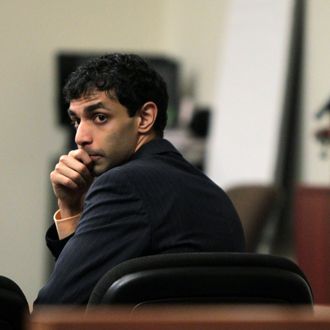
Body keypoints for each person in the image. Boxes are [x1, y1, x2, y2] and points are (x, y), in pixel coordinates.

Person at [34, 53, 245, 305]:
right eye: (76, 120)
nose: (80, 136)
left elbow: (56, 308)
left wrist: (72, 209)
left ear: (145, 118)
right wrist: (71, 208)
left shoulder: (122, 186)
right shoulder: (212, 191)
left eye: (99, 117)